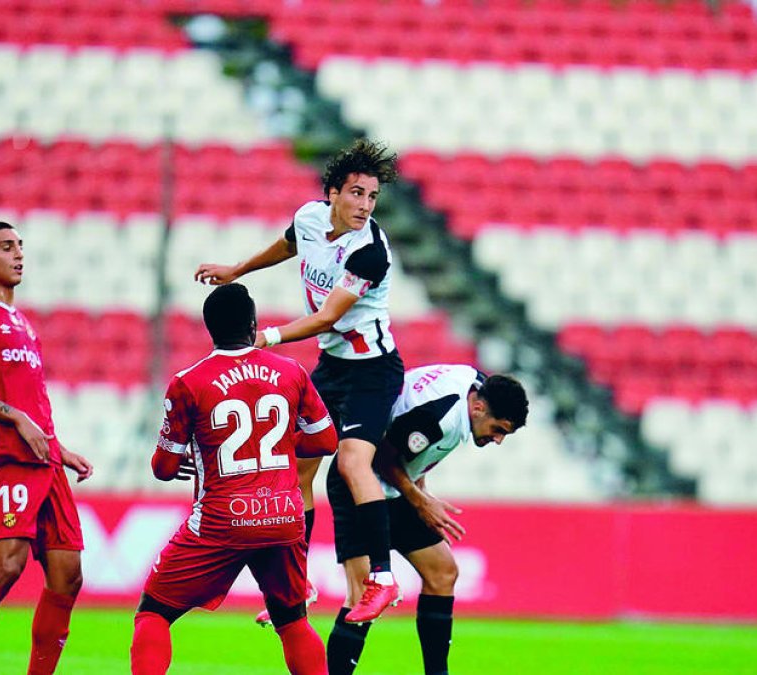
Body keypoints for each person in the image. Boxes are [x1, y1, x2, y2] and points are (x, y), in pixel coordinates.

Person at [195, 138, 406, 623]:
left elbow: (329, 317)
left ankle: (382, 578)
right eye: (356, 193)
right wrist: (237, 270)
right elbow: (286, 245)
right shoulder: (311, 218)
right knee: (297, 472)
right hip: (333, 369)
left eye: (372, 197)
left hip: (373, 371)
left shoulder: (370, 251)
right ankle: (297, 582)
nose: (364, 205)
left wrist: (264, 338)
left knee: (354, 463)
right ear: (332, 193)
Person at [130, 283, 339, 675]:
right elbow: (326, 441)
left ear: (211, 330)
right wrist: (276, 449)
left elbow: (163, 468)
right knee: (292, 621)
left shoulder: (188, 381)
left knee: (153, 612)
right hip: (282, 516)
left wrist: (199, 451)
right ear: (254, 323)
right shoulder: (290, 371)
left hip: (222, 519)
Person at [0, 221, 94, 675]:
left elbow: (34, 401)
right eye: (7, 247)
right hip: (9, 460)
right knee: (7, 565)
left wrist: (57, 446)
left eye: (21, 246)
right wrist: (15, 419)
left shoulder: (26, 325)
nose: (19, 254)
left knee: (68, 576)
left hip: (45, 461)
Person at [324, 364, 528, 675]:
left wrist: (421, 492)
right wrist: (420, 502)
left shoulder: (473, 387)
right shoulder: (440, 416)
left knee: (443, 572)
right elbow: (381, 456)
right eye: (498, 429)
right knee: (362, 594)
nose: (498, 440)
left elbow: (405, 438)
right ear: (478, 407)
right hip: (359, 482)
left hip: (396, 485)